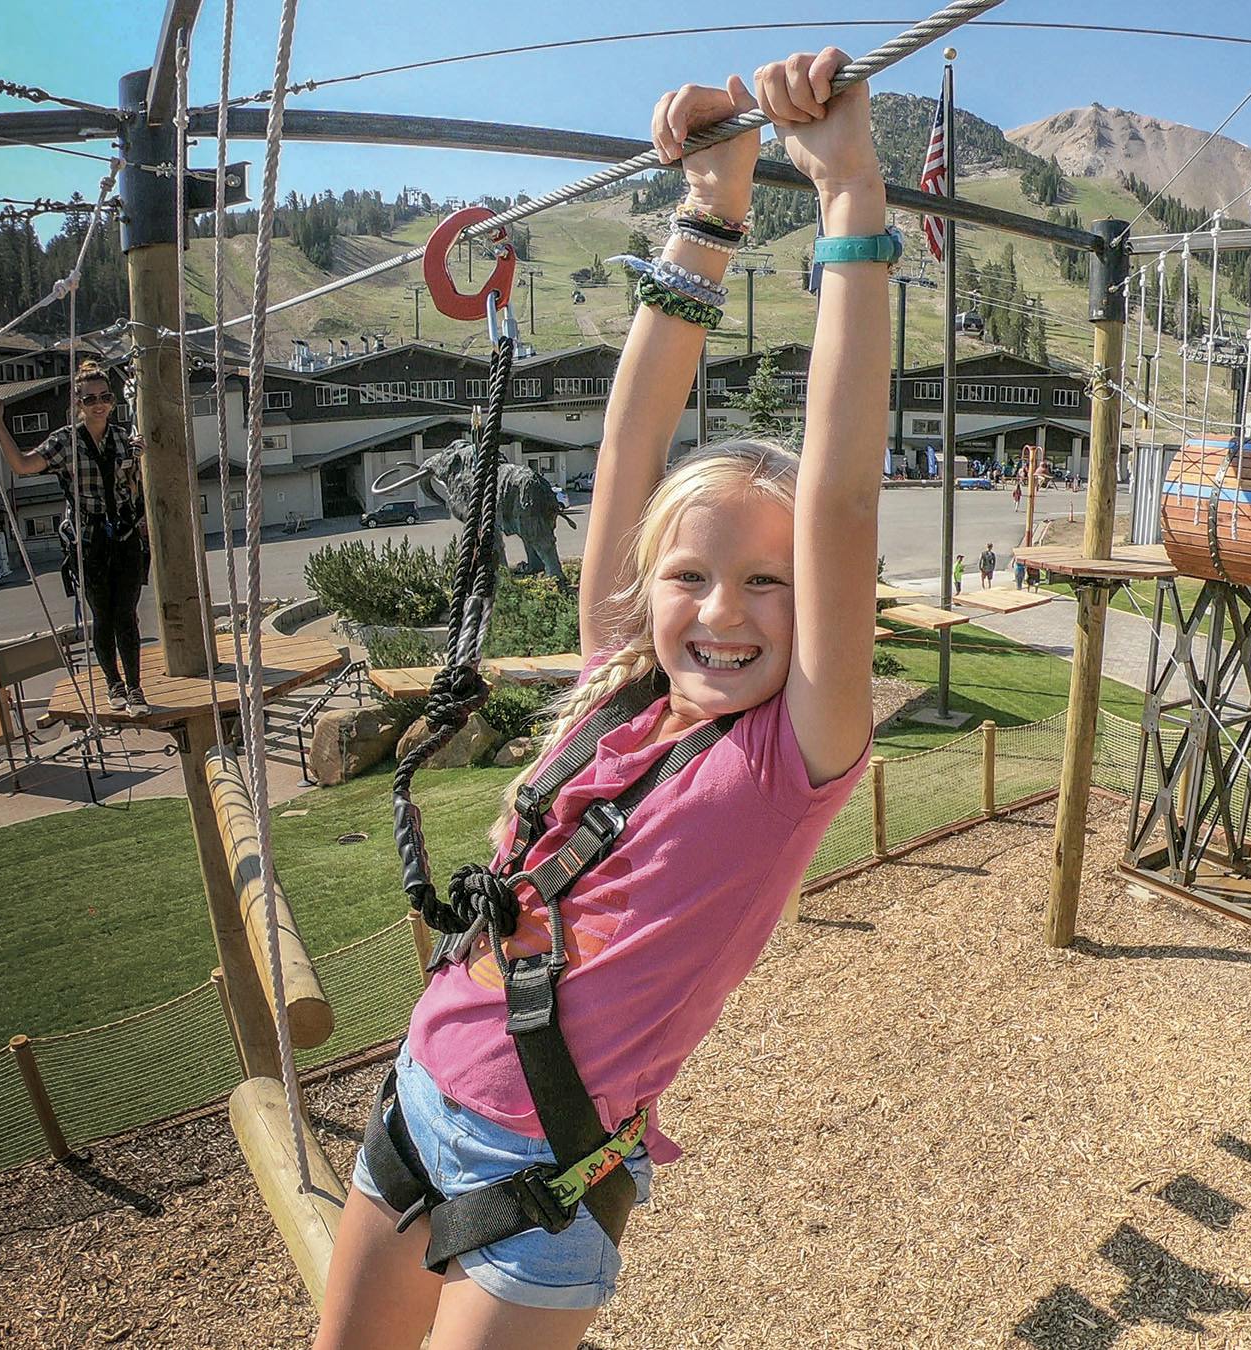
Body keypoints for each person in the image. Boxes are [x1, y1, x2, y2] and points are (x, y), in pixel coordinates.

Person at [315, 50, 883, 1347]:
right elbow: (629, 446)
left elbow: (842, 501)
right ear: (645, 585)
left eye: (768, 582)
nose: (724, 612)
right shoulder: (614, 684)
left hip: (543, 1174)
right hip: (418, 1098)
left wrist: (848, 196)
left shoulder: (787, 757)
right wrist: (708, 210)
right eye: (690, 575)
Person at [0, 361, 150, 714]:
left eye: (105, 397)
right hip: (89, 543)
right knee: (103, 617)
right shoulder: (65, 442)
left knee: (127, 615)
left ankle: (135, 689)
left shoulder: (123, 439)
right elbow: (23, 465)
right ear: (78, 402)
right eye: (91, 400)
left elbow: (134, 483)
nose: (99, 404)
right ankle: (114, 685)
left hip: (125, 537)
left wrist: (140, 454)